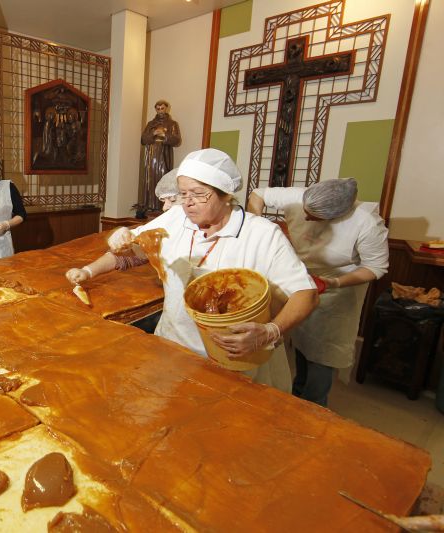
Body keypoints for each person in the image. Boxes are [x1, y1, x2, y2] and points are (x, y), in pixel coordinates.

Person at [66, 149, 318, 391]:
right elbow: (130, 253)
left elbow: (306, 294)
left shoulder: (261, 234)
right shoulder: (175, 220)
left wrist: (269, 331)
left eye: (198, 194)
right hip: (172, 345)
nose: (188, 203)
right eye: (183, 194)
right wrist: (108, 247)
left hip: (234, 356)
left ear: (226, 194)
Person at [247, 178, 389, 406]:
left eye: (314, 216)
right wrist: (256, 228)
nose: (305, 218)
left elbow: (376, 267)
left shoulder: (366, 224)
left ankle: (313, 405)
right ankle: (297, 395)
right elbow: (258, 194)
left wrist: (335, 283)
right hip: (300, 281)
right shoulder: (298, 195)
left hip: (337, 291)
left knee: (323, 352)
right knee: (302, 342)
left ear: (336, 216)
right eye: (305, 211)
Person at [138, 100, 182, 217]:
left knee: (163, 177)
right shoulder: (150, 124)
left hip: (164, 154)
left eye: (162, 108)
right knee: (150, 179)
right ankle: (150, 206)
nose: (160, 110)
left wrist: (164, 135)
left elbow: (177, 140)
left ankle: (161, 205)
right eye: (158, 108)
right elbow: (143, 140)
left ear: (166, 109)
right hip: (151, 154)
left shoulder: (172, 124)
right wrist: (153, 133)